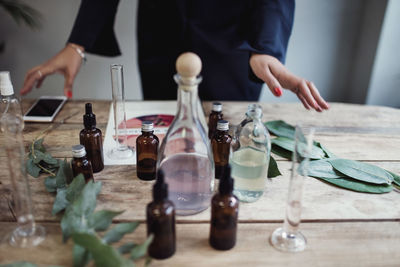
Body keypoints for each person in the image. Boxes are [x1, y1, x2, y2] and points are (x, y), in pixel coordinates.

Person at [21, 0, 329, 112]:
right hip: (162, 34)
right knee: (161, 132)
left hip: (233, 46)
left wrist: (266, 47)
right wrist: (78, 42)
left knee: (223, 139)